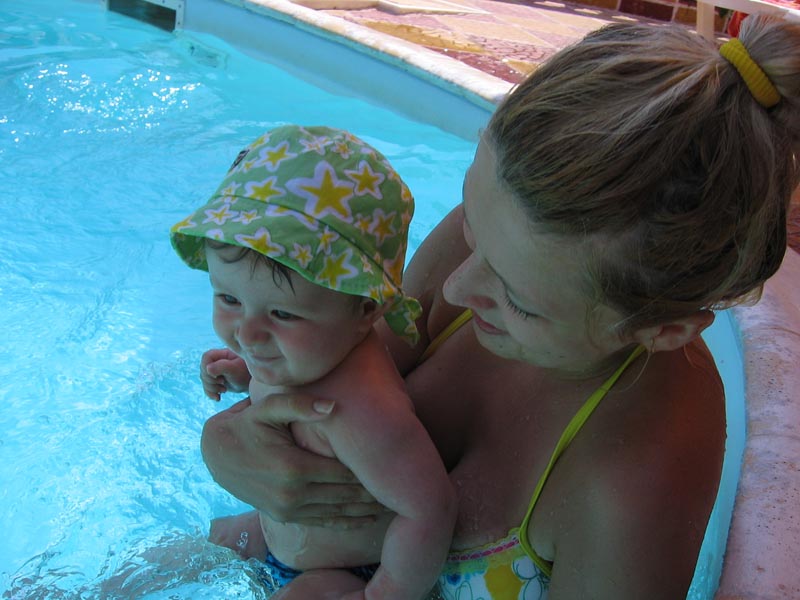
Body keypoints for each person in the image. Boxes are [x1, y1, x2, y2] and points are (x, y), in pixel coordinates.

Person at [200, 16, 800, 600]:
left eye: (517, 300)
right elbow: (328, 364)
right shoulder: (508, 236)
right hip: (281, 548)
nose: (457, 288)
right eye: (474, 231)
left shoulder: (634, 478)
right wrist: (228, 445)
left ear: (662, 330)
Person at [170, 125, 457, 599]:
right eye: (229, 299)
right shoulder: (313, 349)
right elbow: (277, 375)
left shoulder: (364, 409)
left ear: (365, 309)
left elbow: (429, 510)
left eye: (282, 314)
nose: (247, 334)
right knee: (189, 549)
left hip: (343, 569)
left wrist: (382, 593)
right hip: (275, 533)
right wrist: (245, 372)